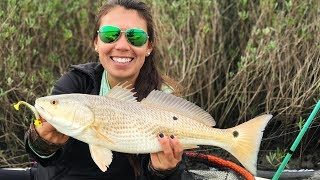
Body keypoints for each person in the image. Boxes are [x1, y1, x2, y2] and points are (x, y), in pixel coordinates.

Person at [24, 0, 194, 179]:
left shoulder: (164, 100)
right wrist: (43, 142)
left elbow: (176, 175)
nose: (121, 46)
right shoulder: (75, 83)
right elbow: (42, 158)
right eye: (109, 34)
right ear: (96, 42)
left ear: (149, 46)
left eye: (135, 37)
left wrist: (163, 171)